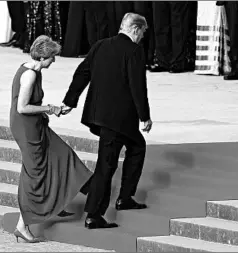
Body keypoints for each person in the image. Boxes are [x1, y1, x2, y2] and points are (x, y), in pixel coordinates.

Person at [61, 13, 153, 229]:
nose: (142, 38)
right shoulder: (134, 51)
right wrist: (145, 116)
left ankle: (125, 198)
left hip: (100, 115)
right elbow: (137, 86)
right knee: (106, 164)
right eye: (143, 33)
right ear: (136, 30)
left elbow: (82, 73)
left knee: (136, 146)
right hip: (118, 119)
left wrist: (70, 100)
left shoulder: (101, 45)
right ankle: (94, 214)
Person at [9, 35, 93, 242]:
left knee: (61, 154)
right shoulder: (29, 75)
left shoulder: (35, 70)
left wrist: (50, 110)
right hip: (26, 129)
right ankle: (23, 225)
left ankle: (59, 201)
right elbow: (22, 107)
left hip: (36, 124)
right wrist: (49, 108)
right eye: (52, 57)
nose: (54, 61)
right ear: (43, 57)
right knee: (35, 172)